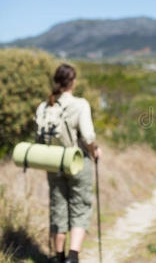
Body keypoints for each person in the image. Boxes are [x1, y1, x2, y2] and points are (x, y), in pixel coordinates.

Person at [36, 63, 101, 263]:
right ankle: (72, 258)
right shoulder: (80, 104)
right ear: (72, 82)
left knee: (58, 207)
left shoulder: (45, 106)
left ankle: (58, 256)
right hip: (76, 162)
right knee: (80, 207)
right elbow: (88, 136)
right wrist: (95, 152)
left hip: (53, 162)